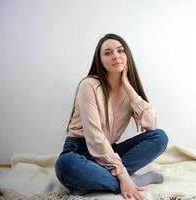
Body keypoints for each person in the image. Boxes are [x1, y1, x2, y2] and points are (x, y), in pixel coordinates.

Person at [55, 33, 168, 200]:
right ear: (100, 60)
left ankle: (95, 182)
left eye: (120, 50)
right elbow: (95, 139)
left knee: (160, 137)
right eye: (108, 53)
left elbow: (151, 125)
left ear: (127, 55)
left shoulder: (129, 91)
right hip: (80, 152)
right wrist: (122, 175)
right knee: (65, 165)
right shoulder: (89, 86)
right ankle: (133, 180)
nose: (115, 56)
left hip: (109, 151)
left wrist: (129, 88)